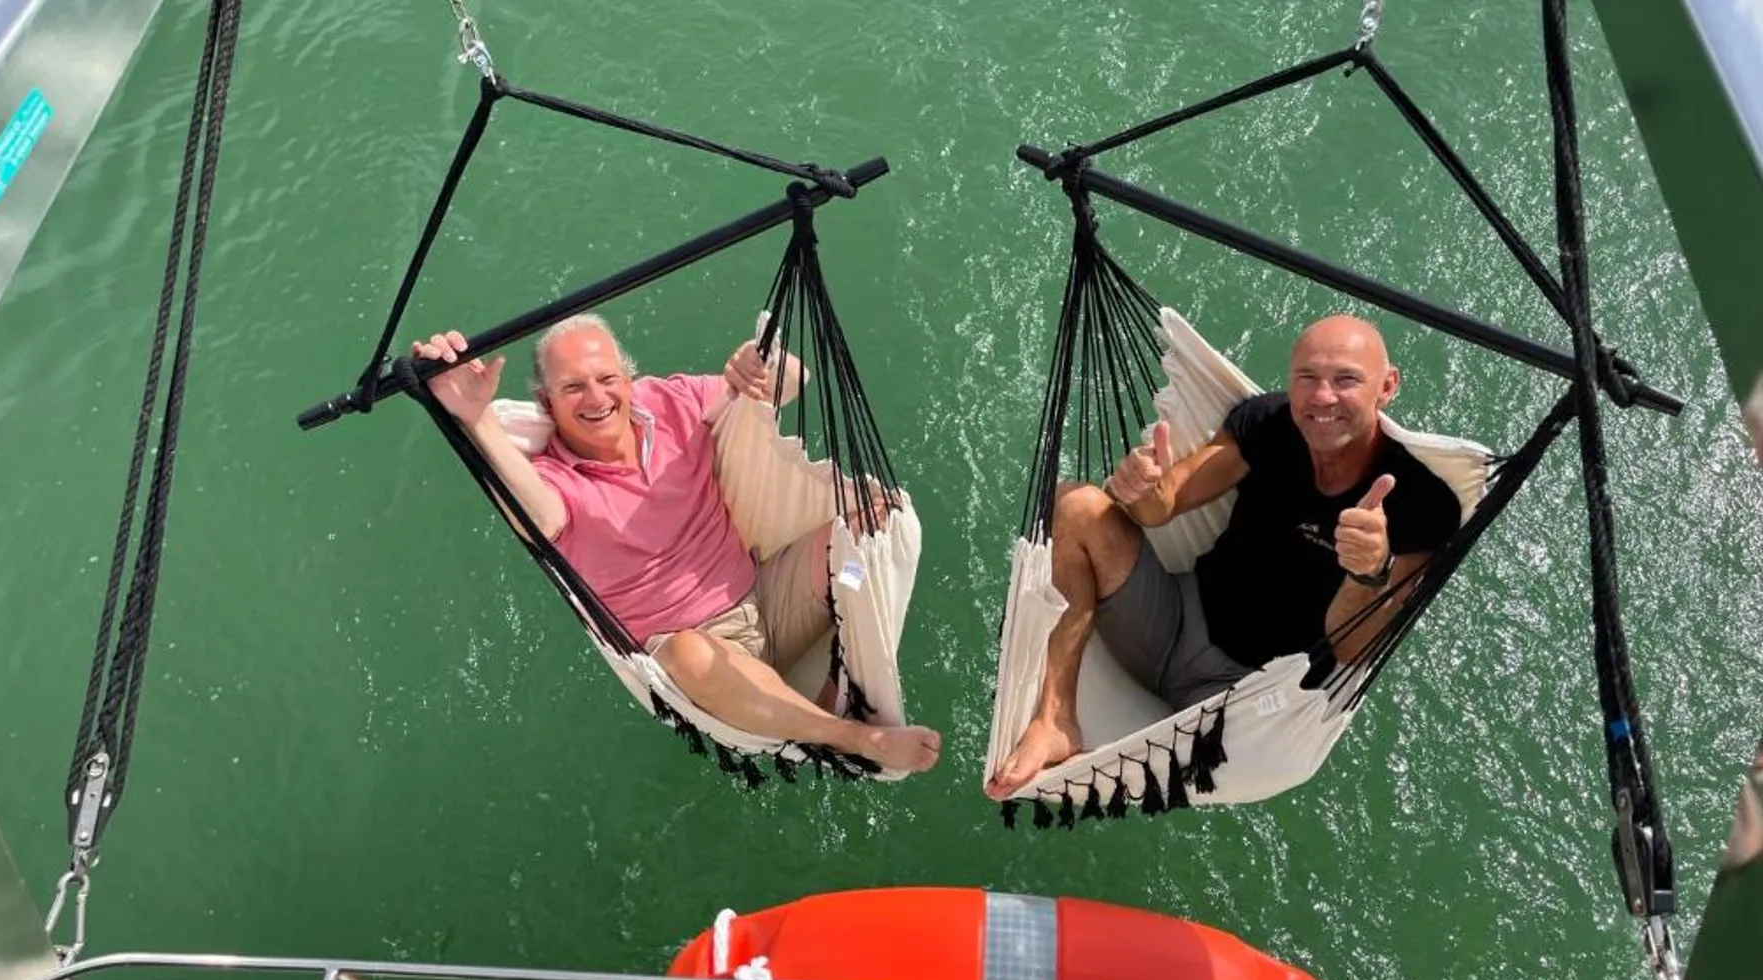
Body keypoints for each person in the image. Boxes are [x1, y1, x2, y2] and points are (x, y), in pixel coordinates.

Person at [412, 314, 941, 774]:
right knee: (686, 651)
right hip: (702, 663)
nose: (596, 399)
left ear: (629, 379)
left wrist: (757, 369)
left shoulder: (671, 401)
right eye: (573, 388)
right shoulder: (555, 481)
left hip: (769, 601)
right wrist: (475, 418)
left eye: (607, 379)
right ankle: (852, 736)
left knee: (868, 527)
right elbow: (536, 521)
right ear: (545, 401)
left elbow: (794, 380)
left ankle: (845, 660)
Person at [986, 314, 1460, 799]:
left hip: (1244, 703)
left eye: (1346, 380)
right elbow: (1165, 505)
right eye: (1307, 377)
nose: (1322, 397)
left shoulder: (1422, 503)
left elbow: (1351, 651)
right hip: (1173, 621)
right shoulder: (1269, 422)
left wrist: (1370, 572)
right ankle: (1055, 719)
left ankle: (1110, 765)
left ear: (1387, 386)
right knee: (1076, 505)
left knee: (1273, 763)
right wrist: (1142, 489)